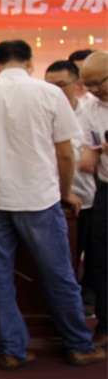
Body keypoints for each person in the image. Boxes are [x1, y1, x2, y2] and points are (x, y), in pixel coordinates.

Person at [0, 40, 105, 370]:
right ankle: (78, 346)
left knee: (0, 277)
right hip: (39, 199)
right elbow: (65, 153)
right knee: (59, 275)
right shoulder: (50, 94)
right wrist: (65, 191)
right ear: (30, 63)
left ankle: (11, 350)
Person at [45, 60, 97, 312]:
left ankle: (88, 302)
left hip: (88, 196)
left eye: (61, 85)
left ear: (78, 84)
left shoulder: (90, 112)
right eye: (49, 86)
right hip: (52, 198)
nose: (54, 91)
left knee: (94, 257)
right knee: (63, 260)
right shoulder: (42, 111)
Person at [76, 51, 108, 350]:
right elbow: (89, 146)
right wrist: (92, 153)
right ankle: (105, 325)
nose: (95, 89)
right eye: (89, 85)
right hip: (105, 189)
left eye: (99, 82)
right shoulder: (89, 108)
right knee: (101, 259)